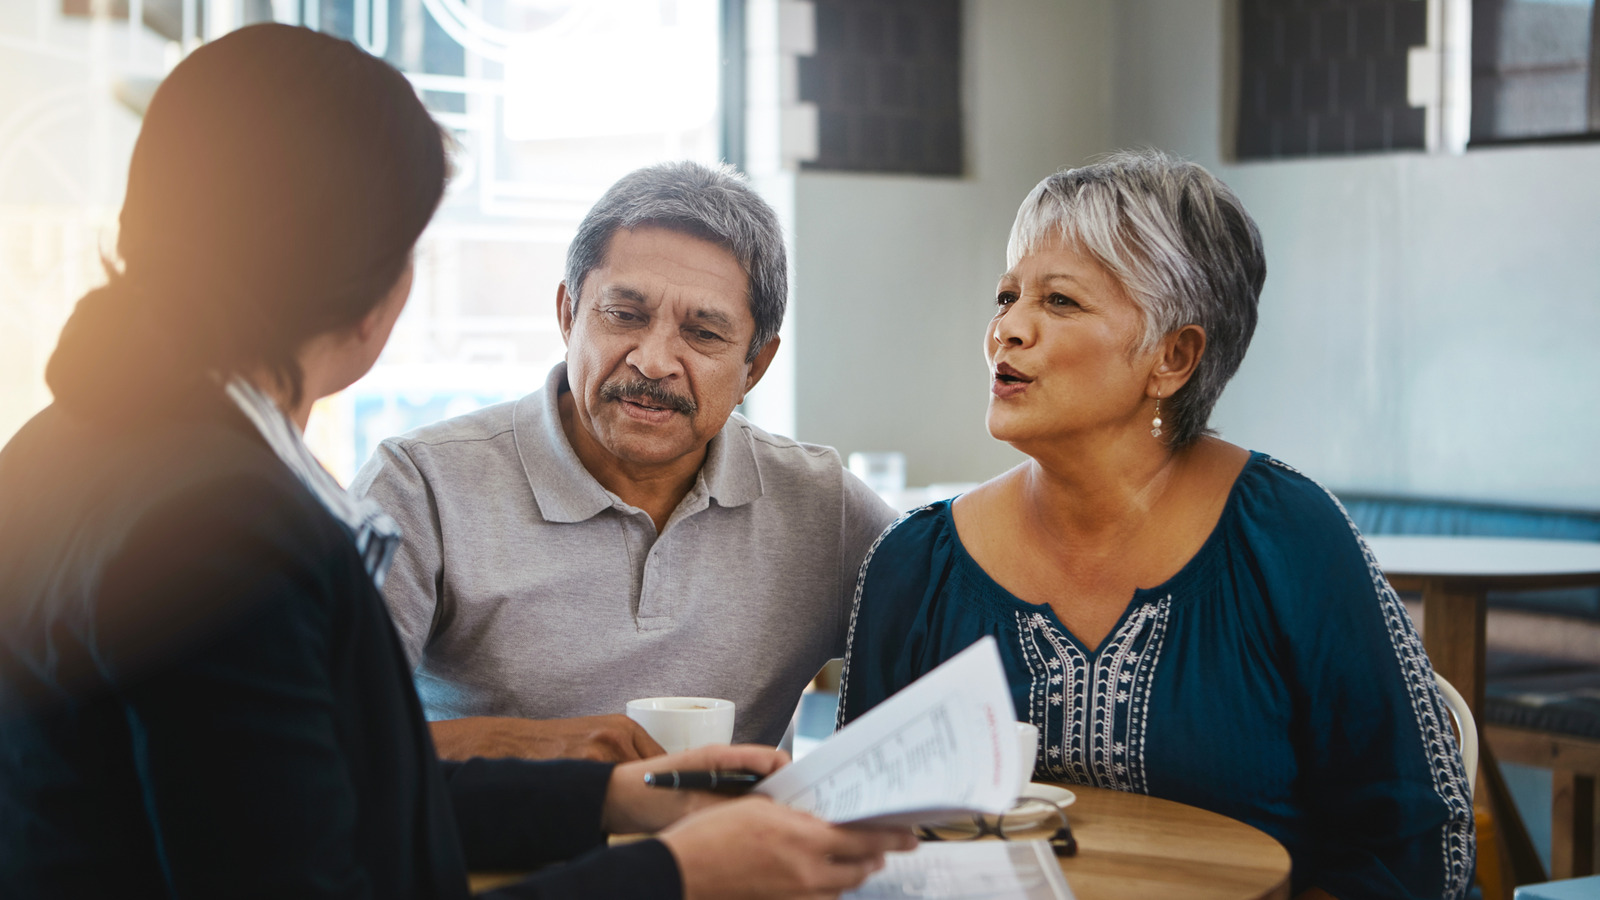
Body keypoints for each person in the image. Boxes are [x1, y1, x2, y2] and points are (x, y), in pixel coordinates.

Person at [0, 24, 910, 899]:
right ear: (370, 293)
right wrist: (682, 875)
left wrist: (609, 799)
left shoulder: (66, 446)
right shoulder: (221, 532)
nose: (654, 359)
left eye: (703, 332)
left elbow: (310, 803)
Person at [835, 150, 1475, 900]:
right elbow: (852, 840)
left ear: (1173, 357)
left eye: (1060, 302)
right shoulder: (915, 565)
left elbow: (1409, 839)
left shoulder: (1291, 540)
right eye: (1007, 295)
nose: (1006, 329)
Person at [351, 161, 896, 762]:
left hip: (726, 856)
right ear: (567, 315)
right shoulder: (419, 486)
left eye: (704, 334)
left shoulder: (824, 508)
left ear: (755, 367)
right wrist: (536, 747)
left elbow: (975, 648)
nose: (654, 360)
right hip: (487, 856)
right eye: (624, 315)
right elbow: (323, 739)